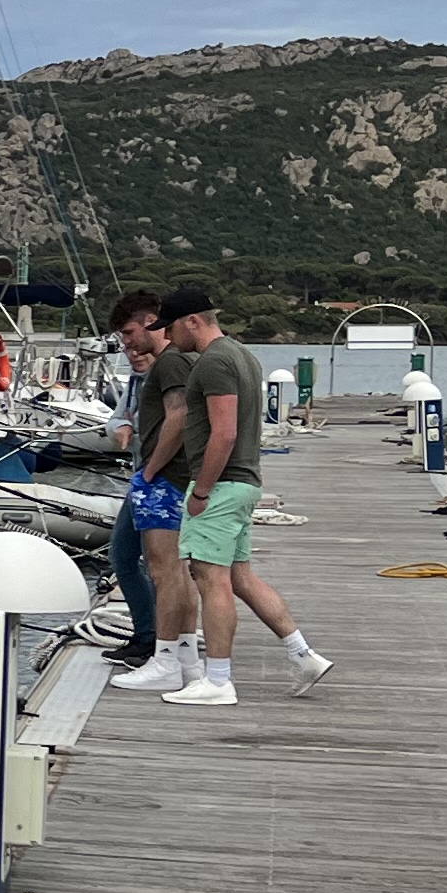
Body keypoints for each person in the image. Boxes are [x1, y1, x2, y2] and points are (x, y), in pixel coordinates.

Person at [152, 287, 331, 706]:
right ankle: (303, 655)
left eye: (171, 328)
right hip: (245, 482)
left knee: (210, 579)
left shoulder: (213, 362)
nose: (168, 337)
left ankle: (218, 681)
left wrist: (202, 490)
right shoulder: (244, 356)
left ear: (192, 321)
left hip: (222, 485)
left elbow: (225, 432)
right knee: (240, 578)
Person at [105, 294, 205, 695]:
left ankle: (164, 659)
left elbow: (179, 416)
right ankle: (186, 659)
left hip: (163, 480)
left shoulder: (171, 363)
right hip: (168, 479)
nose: (127, 343)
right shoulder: (169, 364)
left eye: (130, 332)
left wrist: (149, 471)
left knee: (166, 572)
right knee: (170, 570)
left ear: (151, 321)